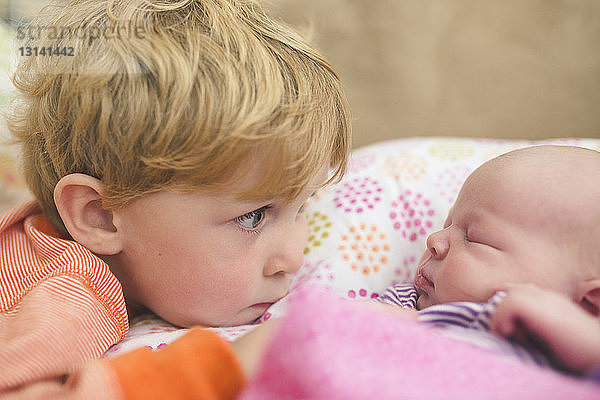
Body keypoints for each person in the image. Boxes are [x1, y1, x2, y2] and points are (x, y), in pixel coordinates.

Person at [0, 0, 350, 396]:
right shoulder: (63, 297)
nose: (293, 257)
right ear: (101, 216)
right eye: (253, 216)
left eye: (304, 204)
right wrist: (227, 364)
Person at [379, 145, 600, 378]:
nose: (434, 239)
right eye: (447, 224)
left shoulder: (571, 352)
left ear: (588, 303)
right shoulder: (404, 303)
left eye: (474, 239)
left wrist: (581, 335)